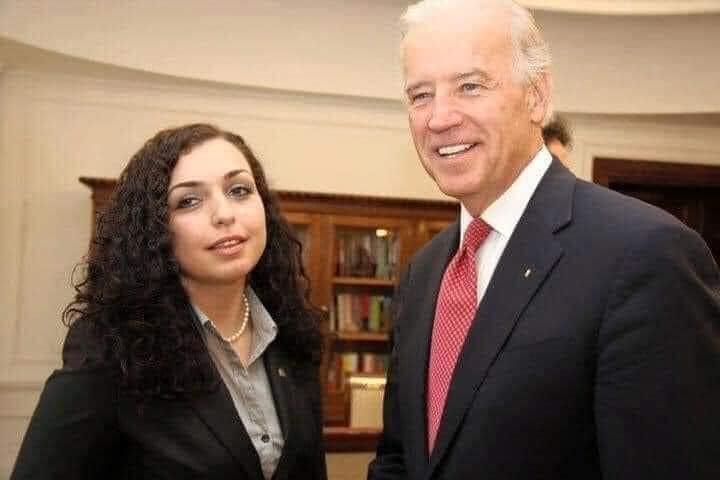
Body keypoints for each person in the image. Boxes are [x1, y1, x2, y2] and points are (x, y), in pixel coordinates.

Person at [368, 1, 720, 479]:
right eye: (420, 95)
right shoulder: (426, 271)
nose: (439, 117)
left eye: (470, 86)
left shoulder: (645, 254)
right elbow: (400, 457)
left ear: (537, 96)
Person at [12, 124, 327, 480]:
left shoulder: (293, 334)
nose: (224, 214)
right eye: (189, 201)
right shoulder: (112, 347)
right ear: (155, 230)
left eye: (239, 190)